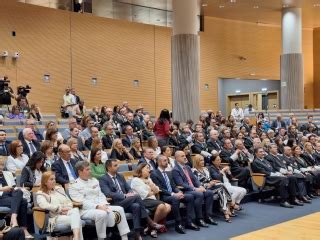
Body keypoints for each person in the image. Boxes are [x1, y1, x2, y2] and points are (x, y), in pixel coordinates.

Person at [100, 159, 162, 240]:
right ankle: (150, 222)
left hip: (127, 201)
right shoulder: (103, 179)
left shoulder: (120, 176)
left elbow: (128, 188)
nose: (118, 167)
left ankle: (137, 233)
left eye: (118, 165)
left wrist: (129, 193)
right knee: (136, 196)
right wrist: (125, 195)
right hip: (114, 204)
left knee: (136, 206)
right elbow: (108, 193)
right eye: (115, 165)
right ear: (109, 168)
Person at [68, 161, 130, 240]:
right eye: (87, 170)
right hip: (85, 210)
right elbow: (81, 202)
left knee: (119, 209)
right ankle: (101, 238)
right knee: (101, 214)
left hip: (101, 205)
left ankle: (124, 237)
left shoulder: (94, 180)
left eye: (90, 169)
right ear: (79, 171)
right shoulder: (74, 185)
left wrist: (104, 204)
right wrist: (97, 206)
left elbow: (101, 194)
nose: (90, 171)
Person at [151, 155, 202, 233]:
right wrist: (173, 194)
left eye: (167, 160)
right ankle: (178, 224)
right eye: (164, 160)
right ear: (158, 162)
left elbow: (173, 186)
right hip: (163, 196)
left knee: (190, 197)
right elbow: (160, 188)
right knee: (176, 198)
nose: (167, 162)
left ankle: (189, 221)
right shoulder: (154, 173)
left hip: (173, 194)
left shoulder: (168, 172)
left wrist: (178, 191)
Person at [172, 151, 214, 227]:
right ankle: (199, 219)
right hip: (185, 191)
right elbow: (181, 184)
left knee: (209, 192)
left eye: (185, 155)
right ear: (177, 158)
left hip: (193, 189)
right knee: (199, 194)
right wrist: (195, 189)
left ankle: (208, 216)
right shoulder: (175, 170)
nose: (185, 157)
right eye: (182, 156)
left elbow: (194, 179)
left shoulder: (187, 167)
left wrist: (200, 186)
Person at [36, 171, 83, 240]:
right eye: (51, 179)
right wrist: (60, 209)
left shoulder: (59, 190)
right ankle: (77, 238)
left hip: (67, 213)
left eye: (54, 179)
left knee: (75, 211)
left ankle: (76, 237)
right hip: (54, 218)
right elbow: (44, 205)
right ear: (45, 182)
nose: (54, 181)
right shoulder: (41, 193)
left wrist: (67, 209)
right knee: (77, 220)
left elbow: (69, 202)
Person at [130, 163, 171, 238]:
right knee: (162, 206)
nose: (149, 170)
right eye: (147, 168)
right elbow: (144, 194)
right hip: (142, 201)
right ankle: (153, 227)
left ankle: (151, 227)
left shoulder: (149, 179)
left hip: (152, 200)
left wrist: (151, 186)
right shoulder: (136, 180)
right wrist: (153, 191)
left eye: (149, 168)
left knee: (168, 206)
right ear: (141, 169)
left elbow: (157, 190)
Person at [192, 154, 232, 222]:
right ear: (196, 161)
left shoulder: (206, 169)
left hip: (211, 187)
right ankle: (229, 204)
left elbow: (210, 180)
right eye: (200, 160)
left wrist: (212, 182)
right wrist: (208, 184)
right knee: (221, 187)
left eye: (203, 160)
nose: (203, 162)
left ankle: (226, 209)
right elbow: (196, 184)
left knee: (221, 188)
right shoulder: (193, 171)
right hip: (203, 189)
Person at [0, 158, 32, 238]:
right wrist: (2, 189)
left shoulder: (8, 173)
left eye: (2, 165)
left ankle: (13, 218)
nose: (1, 167)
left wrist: (17, 188)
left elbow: (14, 187)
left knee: (19, 191)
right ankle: (23, 229)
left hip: (11, 196)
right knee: (23, 201)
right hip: (1, 198)